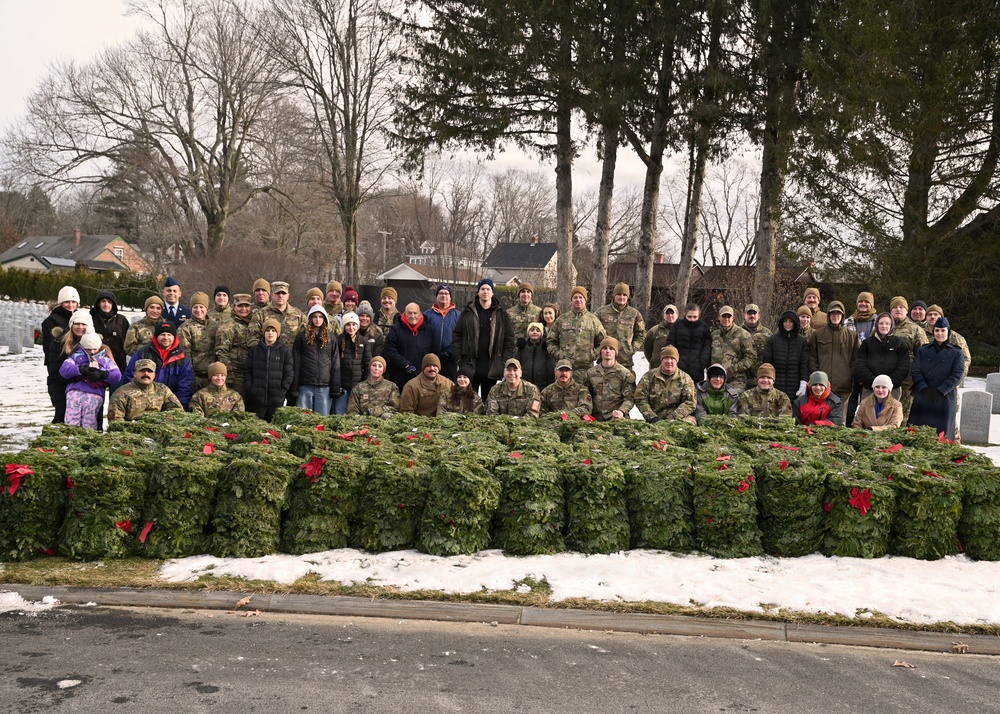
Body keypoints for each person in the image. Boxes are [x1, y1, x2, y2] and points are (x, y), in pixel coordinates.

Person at [452, 279, 516, 399]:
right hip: (470, 363)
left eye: (488, 289)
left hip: (492, 366)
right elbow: (457, 335)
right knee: (469, 400)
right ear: (478, 292)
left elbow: (509, 339)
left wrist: (503, 361)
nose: (485, 292)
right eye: (482, 289)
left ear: (492, 292)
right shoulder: (467, 312)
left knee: (490, 400)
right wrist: (459, 359)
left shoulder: (501, 314)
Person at [909, 317, 965, 440]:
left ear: (948, 332)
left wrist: (940, 391)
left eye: (943, 331)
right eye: (937, 330)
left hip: (945, 397)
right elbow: (916, 370)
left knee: (942, 435)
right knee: (917, 432)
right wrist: (923, 389)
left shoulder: (957, 353)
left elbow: (957, 375)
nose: (939, 334)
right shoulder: (923, 350)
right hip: (924, 395)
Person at [807, 301, 858, 425]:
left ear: (842, 316)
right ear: (828, 315)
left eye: (838, 314)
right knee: (820, 419)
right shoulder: (817, 335)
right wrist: (817, 378)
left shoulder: (852, 336)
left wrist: (849, 375)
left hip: (843, 386)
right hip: (822, 387)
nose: (835, 316)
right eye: (832, 313)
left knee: (841, 421)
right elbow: (812, 357)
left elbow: (856, 360)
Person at [123, 322, 194, 409]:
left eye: (169, 335)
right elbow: (130, 377)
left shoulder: (182, 357)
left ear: (174, 337)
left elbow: (184, 386)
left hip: (171, 402)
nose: (166, 338)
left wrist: (180, 408)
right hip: (144, 402)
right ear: (156, 336)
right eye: (162, 334)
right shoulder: (143, 353)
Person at [60, 332, 121, 430]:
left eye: (94, 348)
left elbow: (116, 376)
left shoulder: (105, 360)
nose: (92, 351)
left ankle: (87, 440)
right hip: (75, 392)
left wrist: (103, 374)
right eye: (88, 349)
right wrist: (80, 370)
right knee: (71, 419)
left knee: (89, 421)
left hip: (95, 393)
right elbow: (64, 369)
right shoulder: (76, 356)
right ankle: (70, 439)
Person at [293, 305, 341, 415]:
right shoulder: (301, 337)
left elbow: (335, 364)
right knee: (303, 420)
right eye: (314, 316)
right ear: (310, 318)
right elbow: (296, 363)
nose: (317, 319)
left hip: (324, 387)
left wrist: (335, 388)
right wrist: (294, 387)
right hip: (305, 385)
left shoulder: (331, 338)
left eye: (320, 317)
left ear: (324, 319)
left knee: (321, 422)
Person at [546, 286, 606, 373]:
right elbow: (550, 341)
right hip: (564, 370)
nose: (578, 300)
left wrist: (592, 355)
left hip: (586, 370)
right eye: (575, 297)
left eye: (581, 297)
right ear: (571, 300)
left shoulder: (593, 320)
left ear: (585, 300)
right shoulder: (562, 319)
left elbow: (603, 343)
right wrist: (559, 354)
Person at [47, 311, 93, 423]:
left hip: (88, 385)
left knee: (90, 416)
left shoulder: (94, 343)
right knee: (62, 414)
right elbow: (56, 370)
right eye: (77, 324)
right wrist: (78, 376)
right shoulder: (59, 343)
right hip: (61, 384)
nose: (80, 327)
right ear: (71, 325)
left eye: (84, 324)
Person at [244, 318, 294, 421]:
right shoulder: (255, 351)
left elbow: (289, 373)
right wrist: (251, 389)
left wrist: (282, 389)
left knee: (275, 430)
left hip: (276, 399)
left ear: (278, 333)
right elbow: (247, 371)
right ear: (263, 333)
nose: (270, 333)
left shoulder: (284, 352)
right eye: (268, 330)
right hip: (257, 399)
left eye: (273, 330)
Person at [853, 312, 909, 401]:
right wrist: (874, 382)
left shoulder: (899, 344)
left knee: (890, 414)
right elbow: (860, 364)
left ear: (891, 325)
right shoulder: (867, 343)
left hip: (892, 389)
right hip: (870, 388)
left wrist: (888, 383)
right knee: (868, 414)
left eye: (887, 323)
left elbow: (904, 367)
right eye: (881, 323)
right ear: (877, 325)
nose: (884, 326)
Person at [634, 345, 697, 424]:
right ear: (661, 360)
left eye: (672, 358)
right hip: (654, 419)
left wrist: (672, 418)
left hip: (679, 418)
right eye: (666, 358)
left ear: (677, 360)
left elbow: (690, 402)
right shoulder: (649, 377)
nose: (669, 361)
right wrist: (652, 417)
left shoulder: (685, 379)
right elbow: (640, 398)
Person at [888, 296, 927, 421]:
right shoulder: (883, 325)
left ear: (906, 311)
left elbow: (924, 357)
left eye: (901, 307)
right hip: (885, 381)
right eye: (895, 307)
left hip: (907, 383)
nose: (898, 310)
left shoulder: (916, 330)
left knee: (903, 417)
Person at [107, 359, 183, 421]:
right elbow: (115, 420)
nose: (146, 374)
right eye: (142, 371)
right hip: (132, 433)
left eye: (149, 371)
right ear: (135, 374)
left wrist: (164, 421)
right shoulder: (122, 393)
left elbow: (177, 410)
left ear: (154, 375)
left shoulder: (163, 390)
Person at [384, 302, 436, 391]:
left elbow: (434, 353)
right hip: (399, 378)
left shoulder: (429, 331)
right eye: (409, 313)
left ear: (420, 314)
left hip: (423, 378)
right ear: (405, 313)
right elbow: (389, 350)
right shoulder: (395, 329)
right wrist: (406, 365)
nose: (412, 316)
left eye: (415, 313)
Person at [594, 282, 646, 371]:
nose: (621, 297)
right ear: (614, 295)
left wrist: (632, 349)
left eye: (624, 295)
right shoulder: (601, 312)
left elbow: (641, 334)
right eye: (619, 294)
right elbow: (593, 333)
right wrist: (598, 349)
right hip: (604, 362)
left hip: (625, 362)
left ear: (628, 297)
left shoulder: (634, 314)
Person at [215, 293, 257, 396]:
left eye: (246, 306)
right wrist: (230, 375)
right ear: (234, 307)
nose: (243, 309)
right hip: (236, 375)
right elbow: (221, 352)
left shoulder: (254, 323)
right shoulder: (228, 326)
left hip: (253, 373)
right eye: (240, 306)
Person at [584, 337, 636, 421]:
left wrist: (621, 411)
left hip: (616, 418)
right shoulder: (591, 373)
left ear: (616, 352)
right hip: (595, 418)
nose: (608, 351)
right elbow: (586, 396)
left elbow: (630, 398)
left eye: (611, 348)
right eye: (604, 348)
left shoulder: (625, 374)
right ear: (601, 351)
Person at [763, 309, 810, 402]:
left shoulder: (801, 342)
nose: (788, 324)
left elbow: (804, 365)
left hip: (795, 387)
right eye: (785, 321)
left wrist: (803, 384)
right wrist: (768, 381)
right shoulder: (773, 340)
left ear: (795, 323)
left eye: (791, 321)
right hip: (776, 386)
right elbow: (767, 364)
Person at [709, 305, 756, 391]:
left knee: (733, 401)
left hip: (736, 379)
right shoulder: (714, 335)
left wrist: (734, 369)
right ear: (719, 317)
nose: (726, 319)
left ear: (733, 318)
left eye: (729, 316)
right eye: (724, 316)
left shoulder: (743, 334)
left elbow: (751, 357)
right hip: (716, 379)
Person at [177, 291, 217, 391]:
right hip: (196, 377)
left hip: (215, 376)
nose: (198, 310)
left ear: (206, 308)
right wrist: (192, 378)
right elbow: (185, 355)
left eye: (201, 307)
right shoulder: (185, 328)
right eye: (195, 307)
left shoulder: (216, 325)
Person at [89, 290, 129, 386]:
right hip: (95, 366)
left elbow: (128, 340)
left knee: (116, 395)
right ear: (98, 303)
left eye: (109, 302)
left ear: (113, 305)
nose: (106, 304)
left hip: (117, 365)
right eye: (103, 301)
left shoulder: (121, 320)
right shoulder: (90, 319)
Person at [335, 311, 371, 414]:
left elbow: (367, 364)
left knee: (355, 413)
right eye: (348, 324)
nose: (351, 327)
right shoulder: (338, 341)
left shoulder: (363, 342)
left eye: (354, 324)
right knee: (339, 413)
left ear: (358, 325)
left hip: (357, 386)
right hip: (342, 386)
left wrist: (363, 384)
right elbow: (334, 364)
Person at [252, 280, 305, 351]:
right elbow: (252, 338)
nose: (280, 296)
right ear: (271, 295)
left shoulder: (298, 315)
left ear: (288, 296)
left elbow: (305, 338)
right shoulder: (261, 314)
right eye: (277, 293)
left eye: (283, 293)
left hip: (292, 358)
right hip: (269, 358)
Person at [666, 303, 712, 383]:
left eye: (695, 317)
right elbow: (670, 345)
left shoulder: (704, 327)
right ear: (685, 315)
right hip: (678, 368)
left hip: (697, 368)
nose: (692, 319)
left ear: (699, 315)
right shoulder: (677, 325)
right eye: (689, 317)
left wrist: (702, 363)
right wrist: (675, 361)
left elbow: (707, 347)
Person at [424, 284, 460, 380]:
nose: (443, 295)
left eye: (446, 293)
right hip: (432, 359)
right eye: (441, 293)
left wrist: (450, 352)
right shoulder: (427, 315)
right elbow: (423, 336)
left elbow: (462, 337)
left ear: (450, 297)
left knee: (449, 388)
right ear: (436, 296)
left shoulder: (458, 315)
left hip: (450, 360)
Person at [41, 285, 79, 367]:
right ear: (61, 303)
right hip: (57, 362)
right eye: (67, 302)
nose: (70, 305)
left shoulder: (79, 318)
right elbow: (48, 346)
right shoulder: (51, 320)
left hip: (76, 362)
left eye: (73, 302)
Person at [518, 321, 555, 390]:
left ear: (541, 333)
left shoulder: (546, 348)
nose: (534, 332)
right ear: (528, 332)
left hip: (542, 384)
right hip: (524, 384)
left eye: (538, 330)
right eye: (532, 330)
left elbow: (550, 367)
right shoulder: (522, 347)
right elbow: (516, 364)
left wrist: (550, 384)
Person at [741, 303, 772, 383]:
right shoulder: (738, 333)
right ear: (744, 315)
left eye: (754, 313)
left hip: (761, 376)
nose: (752, 316)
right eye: (749, 313)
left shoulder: (767, 334)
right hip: (742, 375)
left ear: (759, 315)